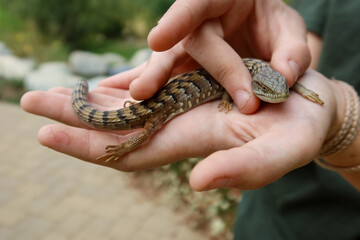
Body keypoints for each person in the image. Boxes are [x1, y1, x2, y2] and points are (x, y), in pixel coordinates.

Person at [21, 0, 360, 239]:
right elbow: (294, 62)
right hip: (263, 221)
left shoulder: (263, 75)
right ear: (260, 80)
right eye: (273, 89)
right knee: (147, 128)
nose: (279, 93)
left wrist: (341, 114)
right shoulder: (260, 65)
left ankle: (87, 97)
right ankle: (98, 112)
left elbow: (280, 81)